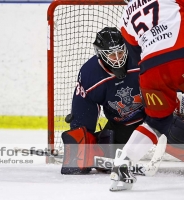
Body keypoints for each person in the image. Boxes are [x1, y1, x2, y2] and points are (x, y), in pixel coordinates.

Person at [109, 0, 184, 191]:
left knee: (155, 123)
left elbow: (134, 52)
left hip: (150, 70)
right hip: (181, 54)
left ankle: (121, 166)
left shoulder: (127, 13)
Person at [61, 27, 146, 174]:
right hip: (123, 125)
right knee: (105, 161)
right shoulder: (90, 74)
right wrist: (81, 144)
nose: (118, 58)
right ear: (100, 54)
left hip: (154, 118)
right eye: (112, 55)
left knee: (177, 133)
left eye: (120, 52)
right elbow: (83, 113)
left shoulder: (141, 57)